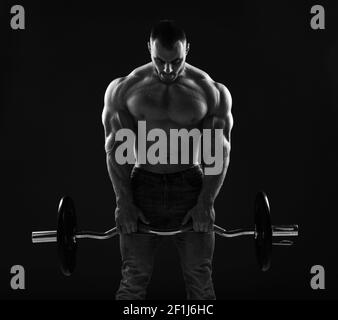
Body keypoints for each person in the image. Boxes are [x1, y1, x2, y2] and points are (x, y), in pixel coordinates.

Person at [101, 19, 233, 300]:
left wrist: (205, 203)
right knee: (132, 279)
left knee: (201, 281)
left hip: (190, 186)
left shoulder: (209, 91)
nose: (168, 69)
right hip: (142, 186)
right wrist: (124, 201)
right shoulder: (125, 89)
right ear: (149, 48)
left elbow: (218, 152)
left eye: (177, 61)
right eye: (159, 60)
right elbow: (115, 150)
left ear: (188, 50)